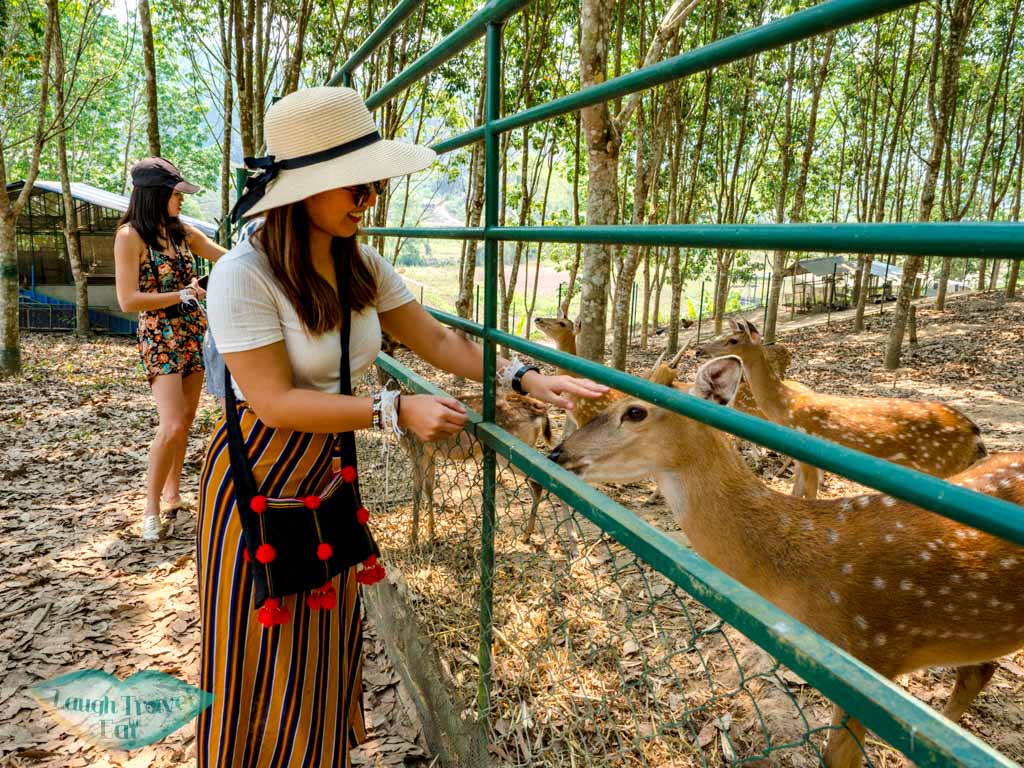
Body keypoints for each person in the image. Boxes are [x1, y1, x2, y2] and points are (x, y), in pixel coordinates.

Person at [198, 86, 606, 767]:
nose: (370, 199)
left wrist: (528, 378)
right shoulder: (243, 275)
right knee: (258, 652)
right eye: (356, 187)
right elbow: (271, 401)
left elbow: (439, 343)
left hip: (327, 475)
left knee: (323, 651)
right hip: (258, 477)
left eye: (374, 185)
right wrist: (391, 409)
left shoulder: (358, 264)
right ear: (302, 189)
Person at [114, 158, 227, 541]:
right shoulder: (130, 236)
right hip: (160, 334)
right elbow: (128, 300)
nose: (181, 201)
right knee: (172, 422)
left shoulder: (182, 232)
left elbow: (225, 257)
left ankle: (173, 493)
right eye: (177, 194)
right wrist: (179, 294)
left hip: (192, 328)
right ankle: (150, 508)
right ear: (156, 194)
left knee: (189, 415)